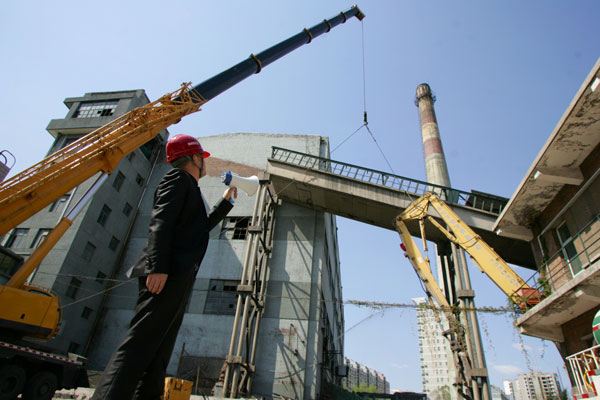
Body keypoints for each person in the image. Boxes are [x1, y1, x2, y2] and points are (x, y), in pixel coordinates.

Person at [92, 134, 237, 400]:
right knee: (138, 345)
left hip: (177, 277)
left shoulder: (190, 188)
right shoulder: (177, 179)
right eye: (202, 157)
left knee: (158, 352)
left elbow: (198, 229)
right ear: (194, 158)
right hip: (164, 274)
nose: (204, 163)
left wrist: (225, 204)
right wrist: (157, 266)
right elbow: (161, 220)